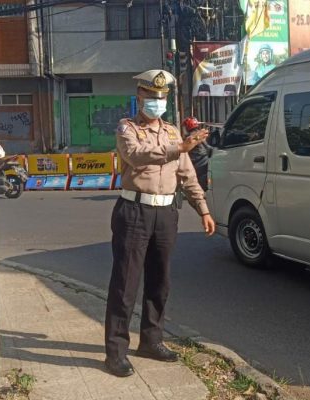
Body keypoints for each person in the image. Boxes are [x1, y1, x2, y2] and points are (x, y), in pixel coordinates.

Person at [104, 69, 216, 377]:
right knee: (125, 284)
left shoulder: (172, 131)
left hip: (166, 213)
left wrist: (203, 209)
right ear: (139, 97)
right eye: (151, 97)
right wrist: (179, 148)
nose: (156, 102)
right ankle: (115, 352)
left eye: (161, 97)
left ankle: (151, 341)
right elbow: (136, 156)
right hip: (134, 210)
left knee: (160, 282)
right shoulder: (127, 128)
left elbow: (187, 174)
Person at [181, 117, 212, 191]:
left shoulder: (193, 136)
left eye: (185, 126)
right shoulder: (200, 133)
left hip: (198, 162)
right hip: (201, 160)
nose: (184, 129)